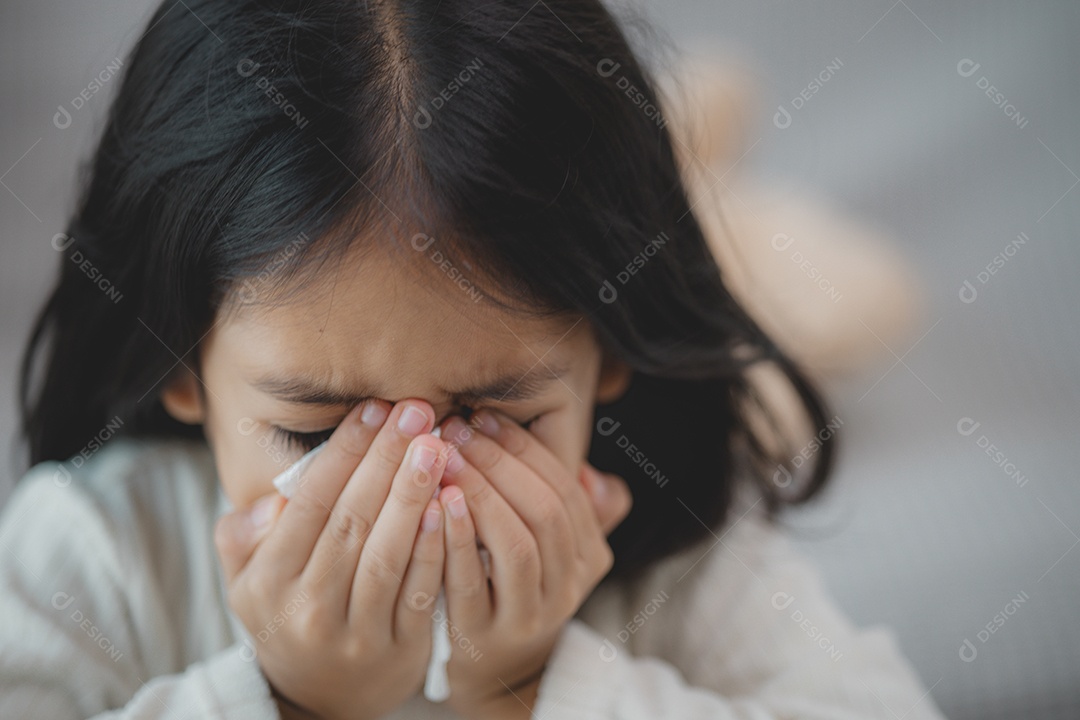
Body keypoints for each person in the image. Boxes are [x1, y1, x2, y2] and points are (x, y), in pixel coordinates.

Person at [0, 0, 947, 718]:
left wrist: (529, 690)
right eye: (317, 429)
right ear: (179, 357)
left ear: (609, 349)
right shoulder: (95, 555)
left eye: (502, 416)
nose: (415, 486)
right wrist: (288, 702)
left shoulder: (679, 559)